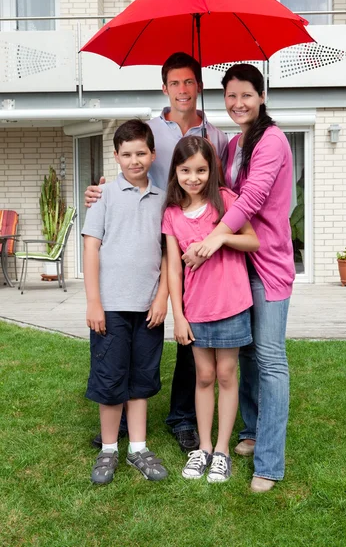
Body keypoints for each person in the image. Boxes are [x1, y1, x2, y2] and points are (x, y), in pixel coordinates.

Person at [85, 52, 228, 453]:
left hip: (194, 243)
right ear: (165, 88)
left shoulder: (214, 135)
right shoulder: (149, 129)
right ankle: (123, 424)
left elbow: (217, 185)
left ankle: (182, 417)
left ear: (199, 86)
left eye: (190, 82)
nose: (183, 90)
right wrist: (100, 192)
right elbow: (127, 170)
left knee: (188, 332)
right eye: (175, 83)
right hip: (155, 234)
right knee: (130, 345)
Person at [183, 64, 295, 493]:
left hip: (267, 264)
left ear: (261, 96)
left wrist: (212, 240)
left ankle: (269, 462)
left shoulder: (273, 140)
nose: (238, 103)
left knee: (269, 360)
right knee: (245, 355)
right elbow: (205, 185)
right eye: (230, 96)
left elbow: (250, 199)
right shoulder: (230, 144)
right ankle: (249, 433)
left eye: (246, 95)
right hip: (236, 268)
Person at [162, 136, 259, 482]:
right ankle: (202, 448)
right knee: (203, 376)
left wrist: (216, 241)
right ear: (176, 171)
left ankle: (221, 451)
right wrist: (179, 315)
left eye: (201, 170)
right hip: (196, 309)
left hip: (232, 305)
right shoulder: (172, 215)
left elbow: (252, 240)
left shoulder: (227, 201)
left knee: (226, 375)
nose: (193, 177)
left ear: (212, 169)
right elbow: (173, 268)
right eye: (186, 170)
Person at [82, 119, 169, 485]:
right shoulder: (104, 196)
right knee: (110, 377)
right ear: (116, 156)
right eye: (127, 154)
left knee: (141, 379)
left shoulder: (164, 199)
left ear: (152, 154)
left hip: (149, 307)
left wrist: (162, 297)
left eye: (141, 153)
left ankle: (137, 448)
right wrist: (93, 302)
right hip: (112, 306)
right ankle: (108, 449)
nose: (134, 160)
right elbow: (91, 247)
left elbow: (169, 254)